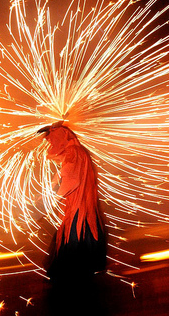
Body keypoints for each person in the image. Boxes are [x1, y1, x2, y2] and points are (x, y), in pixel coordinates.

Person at [37, 122, 108, 315]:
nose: (49, 142)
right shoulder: (78, 152)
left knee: (68, 269)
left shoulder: (73, 153)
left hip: (79, 218)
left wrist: (48, 201)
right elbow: (65, 176)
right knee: (76, 271)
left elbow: (71, 181)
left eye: (51, 139)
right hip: (83, 215)